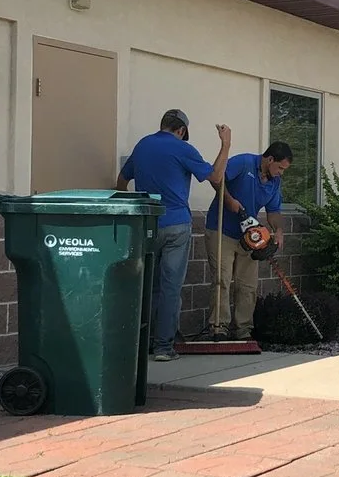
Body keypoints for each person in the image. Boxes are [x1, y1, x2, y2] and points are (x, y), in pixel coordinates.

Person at [116, 109, 232, 361]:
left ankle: (143, 343)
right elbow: (215, 176)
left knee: (149, 285)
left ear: (163, 125)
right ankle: (163, 347)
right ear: (181, 131)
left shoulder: (143, 145)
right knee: (170, 287)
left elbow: (121, 182)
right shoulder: (183, 149)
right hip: (177, 224)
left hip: (147, 225)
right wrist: (225, 145)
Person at [204, 142, 292, 341]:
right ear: (270, 160)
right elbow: (216, 179)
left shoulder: (274, 182)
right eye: (280, 168)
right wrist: (229, 200)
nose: (281, 173)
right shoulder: (243, 163)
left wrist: (278, 230)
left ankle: (243, 330)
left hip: (249, 237)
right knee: (222, 280)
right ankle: (219, 328)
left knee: (247, 285)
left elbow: (274, 211)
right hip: (221, 230)